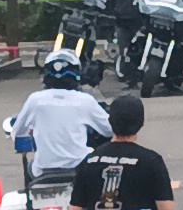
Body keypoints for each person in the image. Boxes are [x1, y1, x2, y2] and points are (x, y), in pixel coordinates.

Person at [11, 50, 112, 178]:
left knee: (30, 165)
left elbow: (18, 131)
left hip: (42, 170)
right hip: (79, 167)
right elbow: (109, 130)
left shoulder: (35, 100)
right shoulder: (85, 100)